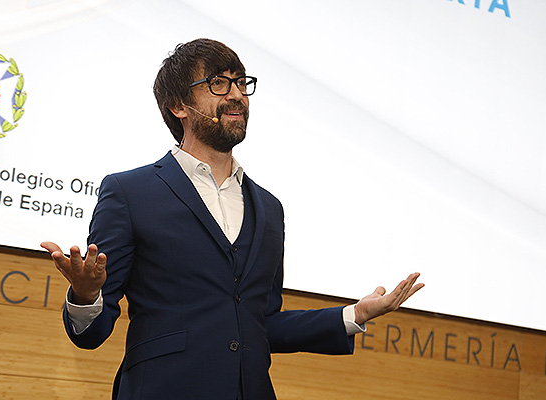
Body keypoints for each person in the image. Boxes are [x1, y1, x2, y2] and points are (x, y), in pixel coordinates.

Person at [41, 38, 423, 400]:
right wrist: (88, 295)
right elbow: (91, 333)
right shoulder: (129, 192)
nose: (238, 94)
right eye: (219, 83)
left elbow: (261, 323)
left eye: (242, 83)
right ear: (178, 106)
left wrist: (355, 314)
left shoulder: (269, 208)